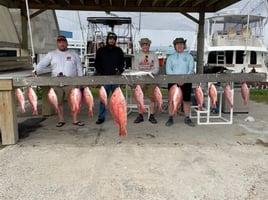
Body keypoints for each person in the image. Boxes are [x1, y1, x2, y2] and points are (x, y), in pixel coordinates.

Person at [33, 35, 84, 127]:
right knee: (58, 102)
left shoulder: (74, 54)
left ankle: (75, 120)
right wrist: (35, 71)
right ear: (57, 44)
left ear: (67, 43)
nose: (62, 44)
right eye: (60, 42)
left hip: (71, 82)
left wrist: (80, 80)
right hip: (56, 82)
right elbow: (42, 64)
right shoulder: (51, 54)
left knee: (74, 101)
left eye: (64, 42)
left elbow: (79, 68)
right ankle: (61, 120)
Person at [95, 32, 125, 124]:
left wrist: (119, 71)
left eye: (113, 39)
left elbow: (122, 63)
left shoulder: (119, 50)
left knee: (117, 100)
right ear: (107, 39)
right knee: (103, 99)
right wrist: (100, 73)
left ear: (115, 40)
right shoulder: (101, 50)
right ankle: (101, 117)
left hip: (115, 78)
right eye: (110, 39)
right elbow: (97, 63)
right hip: (105, 78)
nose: (111, 40)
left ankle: (119, 116)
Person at [165, 37, 195, 127]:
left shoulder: (189, 57)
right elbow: (168, 70)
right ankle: (170, 117)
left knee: (186, 100)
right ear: (175, 46)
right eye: (177, 44)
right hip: (173, 82)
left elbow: (191, 70)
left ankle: (187, 118)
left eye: (181, 44)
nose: (179, 46)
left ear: (184, 45)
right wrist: (176, 80)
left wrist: (184, 79)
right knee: (171, 100)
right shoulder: (170, 57)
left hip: (186, 81)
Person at [133, 38, 159, 124]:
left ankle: (151, 115)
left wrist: (150, 73)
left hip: (152, 79)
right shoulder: (137, 56)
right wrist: (143, 73)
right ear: (141, 46)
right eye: (143, 45)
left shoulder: (154, 55)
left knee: (152, 98)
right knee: (139, 97)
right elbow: (136, 68)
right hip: (141, 79)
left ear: (149, 45)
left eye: (146, 44)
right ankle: (140, 114)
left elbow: (156, 68)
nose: (145, 46)